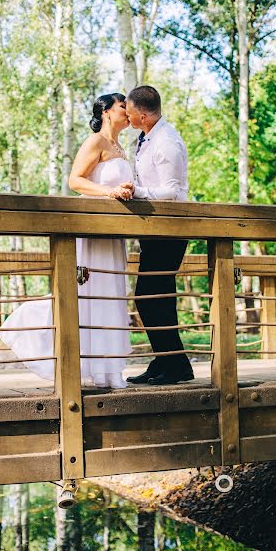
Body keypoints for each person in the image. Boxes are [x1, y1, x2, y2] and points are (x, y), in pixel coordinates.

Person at [0, 93, 134, 389]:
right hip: (93, 228)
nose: (129, 110)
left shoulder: (121, 147)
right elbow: (76, 181)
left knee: (111, 291)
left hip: (114, 233)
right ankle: (28, 325)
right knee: (89, 291)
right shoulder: (95, 141)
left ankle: (107, 370)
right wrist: (109, 192)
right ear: (107, 112)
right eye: (123, 106)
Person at [124, 85, 194, 385]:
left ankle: (175, 364)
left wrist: (136, 191)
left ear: (141, 115)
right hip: (155, 229)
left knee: (150, 297)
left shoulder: (167, 142)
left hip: (172, 229)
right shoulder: (147, 137)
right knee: (155, 298)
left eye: (128, 112)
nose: (126, 117)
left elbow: (173, 191)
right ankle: (168, 362)